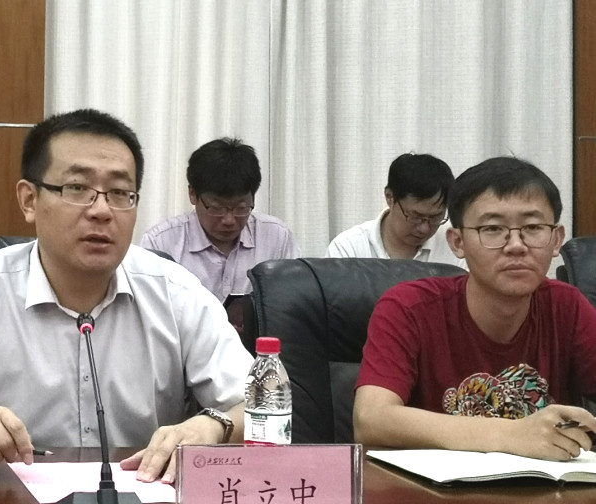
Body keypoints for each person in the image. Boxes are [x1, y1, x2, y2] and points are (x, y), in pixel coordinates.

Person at [0, 109, 252, 484]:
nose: (101, 210)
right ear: (29, 200)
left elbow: (264, 405)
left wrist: (213, 426)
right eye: (77, 189)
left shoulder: (177, 293)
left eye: (120, 193)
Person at [354, 156, 596, 460]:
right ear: (458, 242)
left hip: (546, 488)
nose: (516, 245)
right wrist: (511, 434)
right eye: (493, 229)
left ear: (556, 239)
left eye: (533, 227)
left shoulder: (567, 307)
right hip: (433, 488)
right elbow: (370, 419)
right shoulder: (408, 307)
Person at [139, 138, 300, 303]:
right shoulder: (160, 243)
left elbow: (294, 302)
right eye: (216, 208)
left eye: (241, 208)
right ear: (192, 194)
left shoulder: (277, 238)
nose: (229, 220)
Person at [327, 153, 463, 266]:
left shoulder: (457, 246)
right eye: (415, 216)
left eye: (435, 217)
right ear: (390, 197)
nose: (424, 229)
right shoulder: (348, 249)